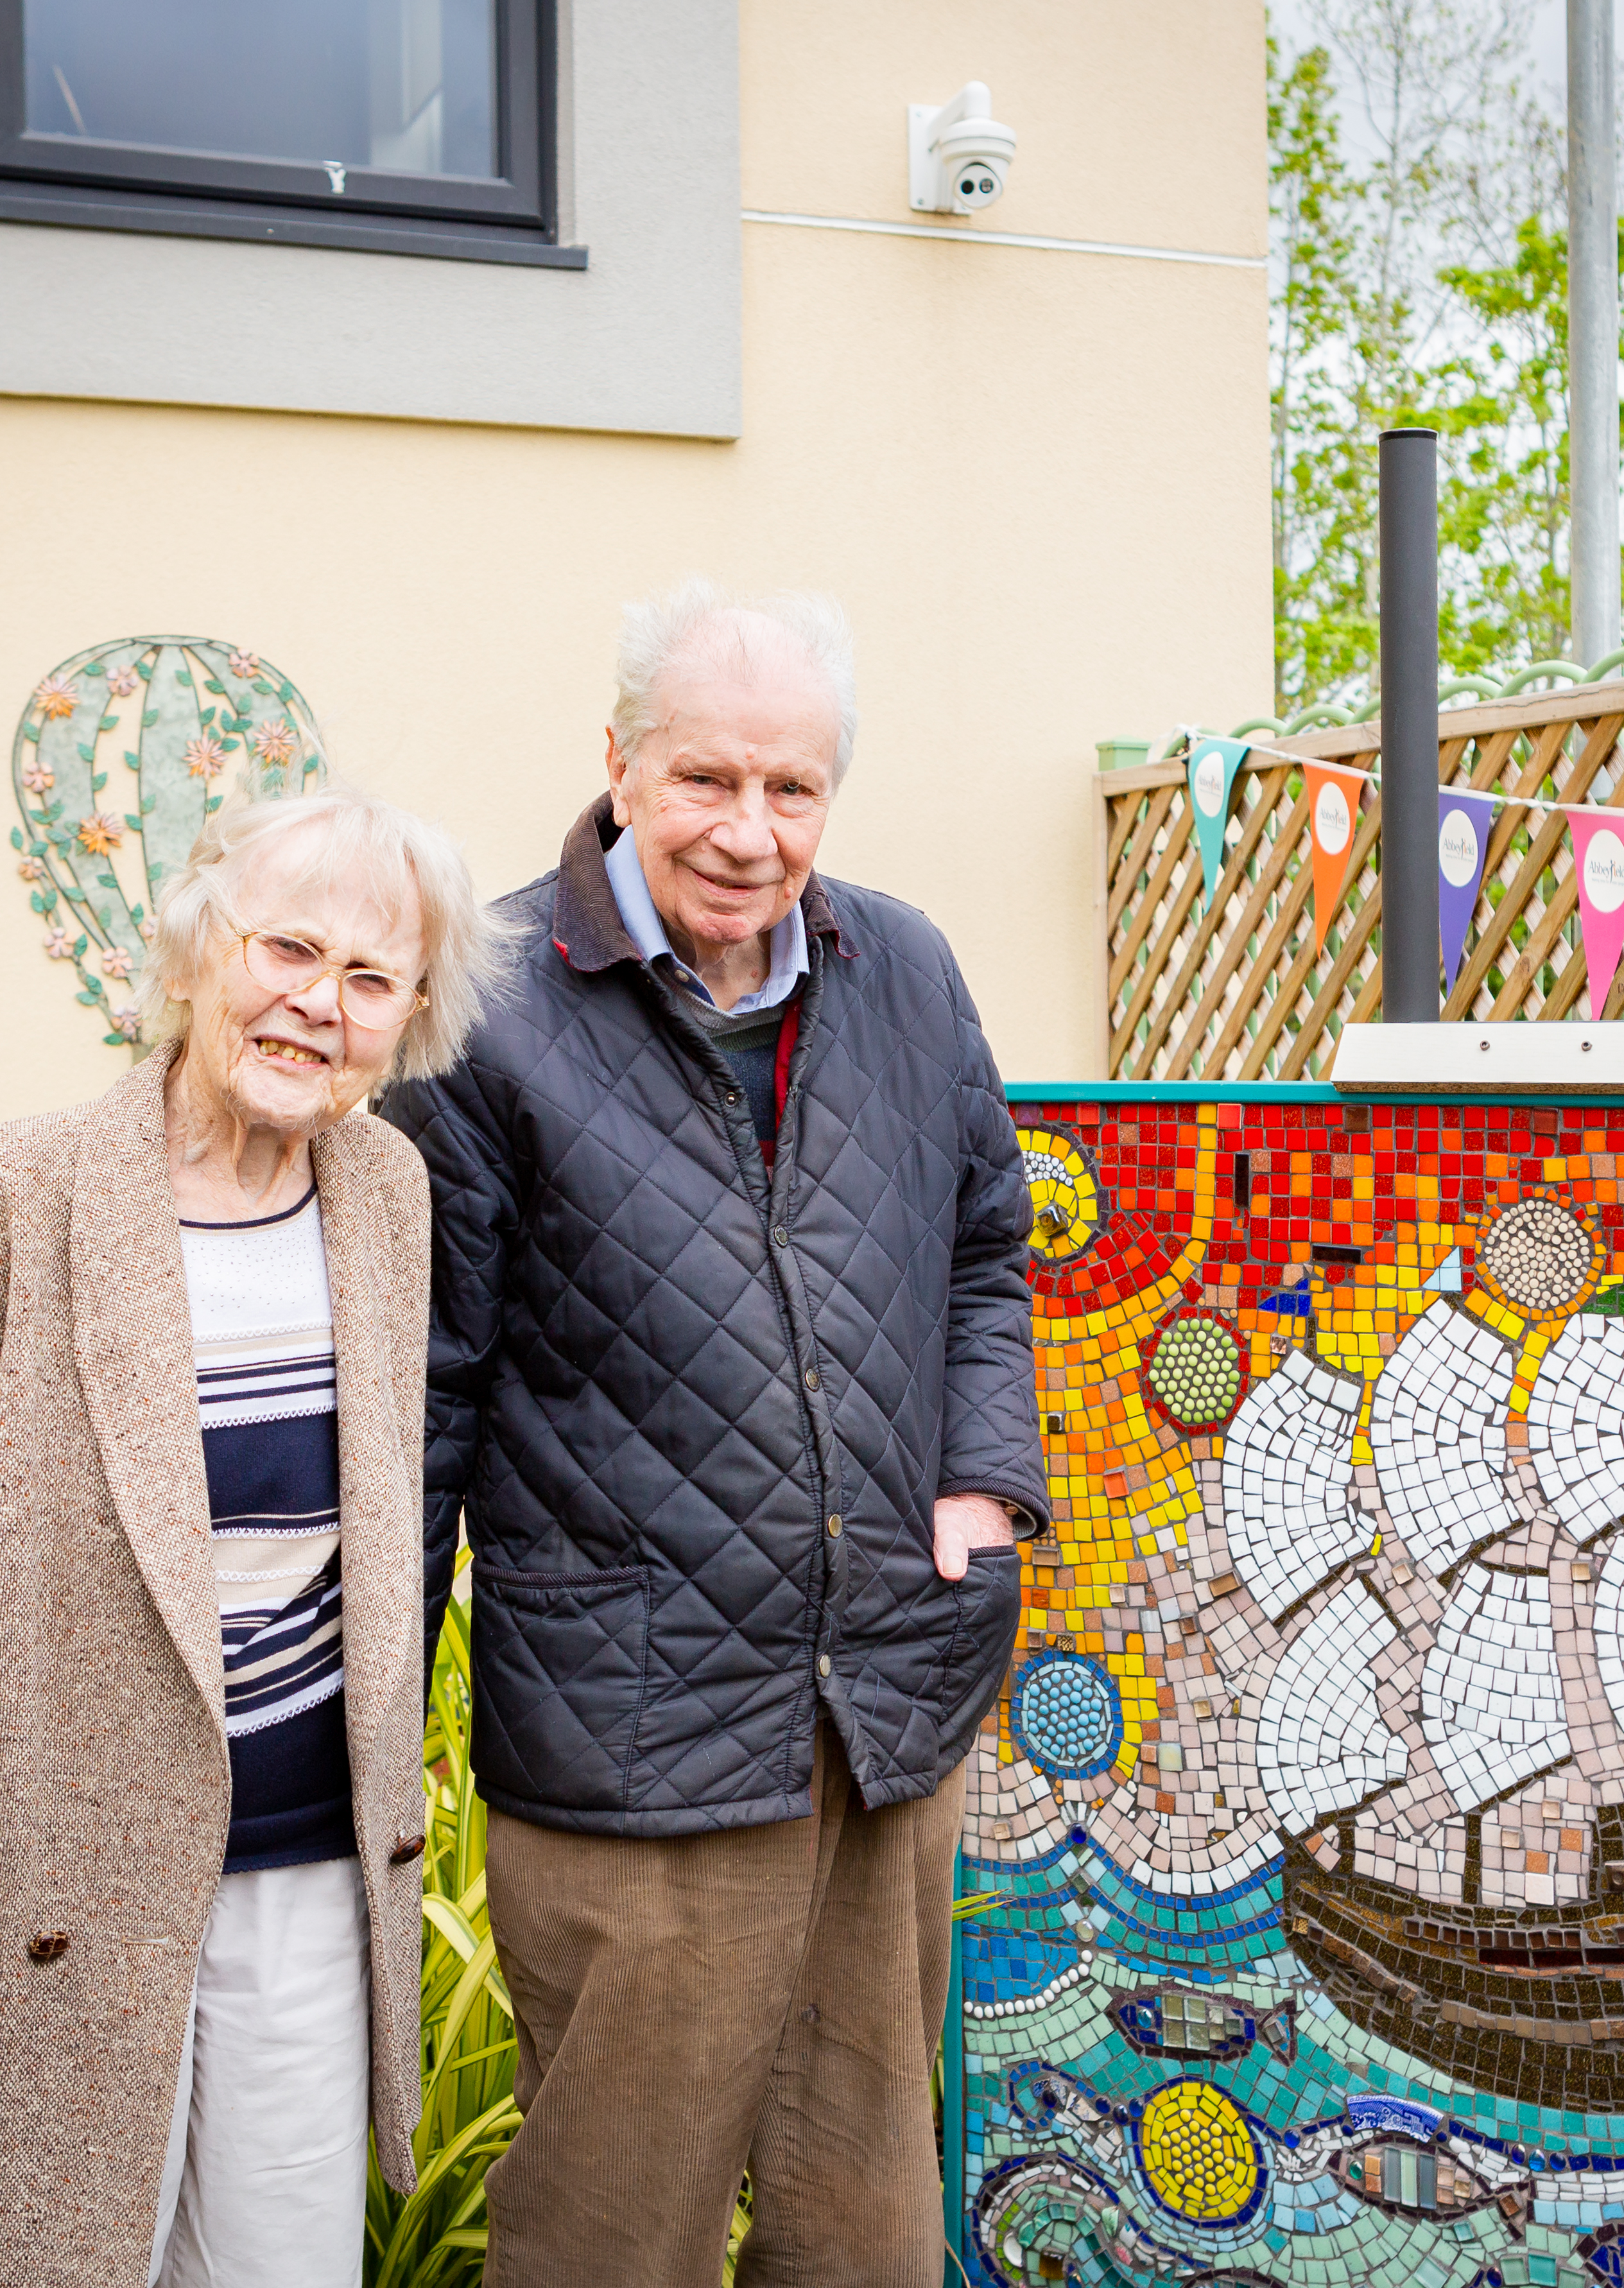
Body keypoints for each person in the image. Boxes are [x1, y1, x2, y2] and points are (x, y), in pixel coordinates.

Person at [380, 580, 1047, 2287]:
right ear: (618, 763)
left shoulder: (903, 965)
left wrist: (979, 1486)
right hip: (633, 1727)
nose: (751, 832)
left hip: (883, 1698)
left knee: (866, 2224)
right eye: (706, 781)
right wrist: (388, 1706)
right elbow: (425, 1384)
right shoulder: (491, 1006)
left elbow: (985, 1237)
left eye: (793, 788)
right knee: (619, 2230)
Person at [0, 789, 492, 2288]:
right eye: (286, 948)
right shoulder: (7, 1201)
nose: (316, 1005)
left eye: (371, 980)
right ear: (194, 947)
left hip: (301, 1884)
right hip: (48, 1903)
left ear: (410, 1018)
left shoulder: (385, 1195)